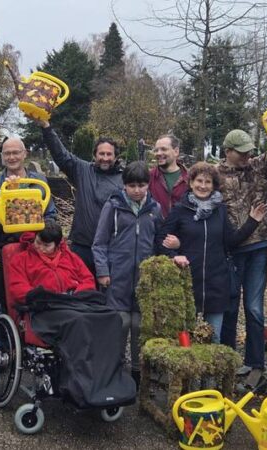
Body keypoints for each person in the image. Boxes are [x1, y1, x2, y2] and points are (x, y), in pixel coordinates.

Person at [157, 162, 267, 343]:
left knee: (213, 338)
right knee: (186, 340)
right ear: (191, 183)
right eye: (199, 181)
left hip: (216, 282)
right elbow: (162, 238)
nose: (203, 185)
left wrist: (252, 221)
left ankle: (210, 373)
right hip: (188, 281)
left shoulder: (220, 211)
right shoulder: (180, 209)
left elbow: (231, 241)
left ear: (213, 185)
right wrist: (175, 253)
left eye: (208, 182)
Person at [216, 128, 267, 391]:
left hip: (258, 246)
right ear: (228, 152)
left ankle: (255, 363)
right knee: (230, 307)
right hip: (232, 249)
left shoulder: (258, 167)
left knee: (254, 308)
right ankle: (228, 359)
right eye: (241, 152)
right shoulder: (215, 175)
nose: (247, 156)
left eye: (249, 152)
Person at [92, 162, 161, 386]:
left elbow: (159, 242)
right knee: (120, 323)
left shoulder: (154, 209)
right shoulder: (113, 207)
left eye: (142, 185)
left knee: (139, 324)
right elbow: (100, 243)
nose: (137, 190)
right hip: (117, 276)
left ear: (148, 185)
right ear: (125, 186)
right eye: (132, 185)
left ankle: (138, 372)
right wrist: (103, 271)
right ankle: (116, 369)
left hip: (144, 280)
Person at [35, 119, 123, 276]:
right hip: (82, 246)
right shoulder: (83, 170)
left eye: (109, 154)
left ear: (115, 157)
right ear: (94, 155)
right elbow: (61, 155)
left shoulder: (123, 179)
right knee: (81, 293)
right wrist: (46, 127)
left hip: (110, 248)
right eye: (101, 153)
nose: (105, 158)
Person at [0, 136, 57, 314]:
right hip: (7, 249)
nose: (11, 157)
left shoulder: (39, 182)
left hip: (36, 249)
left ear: (24, 154)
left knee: (35, 294)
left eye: (16, 152)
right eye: (7, 153)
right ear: (2, 156)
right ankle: (3, 337)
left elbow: (50, 214)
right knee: (6, 298)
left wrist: (48, 235)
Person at [9, 220, 95, 303]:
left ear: (56, 245)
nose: (41, 248)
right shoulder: (20, 259)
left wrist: (77, 294)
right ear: (35, 237)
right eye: (38, 242)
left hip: (74, 301)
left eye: (46, 246)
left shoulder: (70, 257)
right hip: (44, 305)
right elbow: (17, 288)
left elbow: (88, 280)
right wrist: (41, 297)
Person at [149, 134, 189, 218]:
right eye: (156, 150)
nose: (158, 153)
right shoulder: (149, 178)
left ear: (176, 151)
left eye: (164, 149)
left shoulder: (190, 179)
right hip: (158, 229)